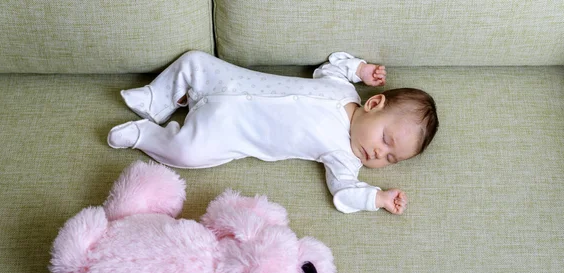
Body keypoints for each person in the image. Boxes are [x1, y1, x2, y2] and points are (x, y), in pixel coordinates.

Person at [108, 51, 438, 214]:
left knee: (187, 154)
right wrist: (360, 69)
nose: (380, 154)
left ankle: (143, 134)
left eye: (391, 158)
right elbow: (332, 67)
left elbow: (344, 191)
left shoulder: (344, 159)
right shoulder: (343, 90)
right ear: (374, 103)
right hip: (231, 81)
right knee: (194, 60)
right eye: (386, 140)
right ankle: (155, 99)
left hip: (229, 131)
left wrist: (377, 198)